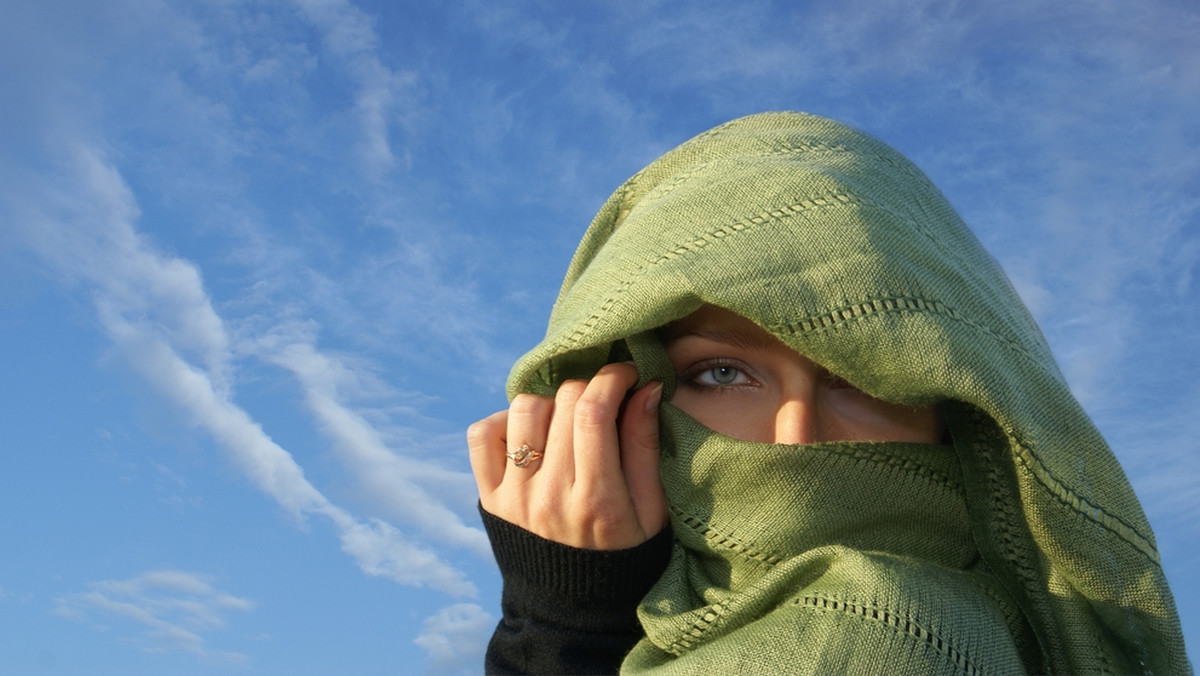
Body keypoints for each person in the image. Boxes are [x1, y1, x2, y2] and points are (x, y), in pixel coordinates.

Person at [468, 112, 1190, 674]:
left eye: (867, 379)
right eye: (721, 374)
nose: (795, 437)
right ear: (606, 404)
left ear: (964, 415)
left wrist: (560, 629)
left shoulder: (904, 644)